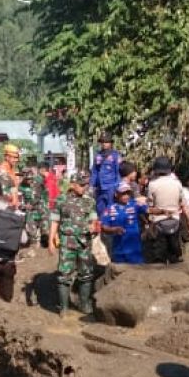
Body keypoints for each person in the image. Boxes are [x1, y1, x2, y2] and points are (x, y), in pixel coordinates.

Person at [49, 171, 100, 320]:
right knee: (64, 275)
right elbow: (55, 221)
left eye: (86, 184)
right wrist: (52, 241)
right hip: (67, 242)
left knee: (86, 273)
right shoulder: (61, 200)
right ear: (73, 184)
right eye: (81, 185)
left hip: (84, 242)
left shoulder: (89, 201)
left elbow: (93, 219)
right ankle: (64, 307)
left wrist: (93, 226)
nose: (85, 187)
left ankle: (84, 304)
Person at [146, 156, 187, 264]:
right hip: (175, 219)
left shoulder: (152, 184)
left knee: (159, 251)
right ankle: (177, 259)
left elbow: (150, 204)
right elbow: (181, 201)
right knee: (175, 249)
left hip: (159, 220)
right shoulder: (177, 183)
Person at [100, 181, 146, 264]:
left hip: (134, 251)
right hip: (118, 252)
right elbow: (104, 227)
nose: (126, 196)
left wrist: (163, 211)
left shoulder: (135, 204)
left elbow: (149, 210)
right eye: (123, 194)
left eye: (128, 193)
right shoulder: (110, 208)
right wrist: (113, 229)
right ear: (116, 194)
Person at [90, 133, 123, 215]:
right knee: (100, 210)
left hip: (111, 187)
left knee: (111, 210)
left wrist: (117, 187)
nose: (104, 144)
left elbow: (118, 172)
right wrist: (91, 186)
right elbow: (94, 171)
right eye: (102, 142)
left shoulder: (115, 156)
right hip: (100, 187)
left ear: (111, 143)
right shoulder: (98, 155)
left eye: (107, 142)